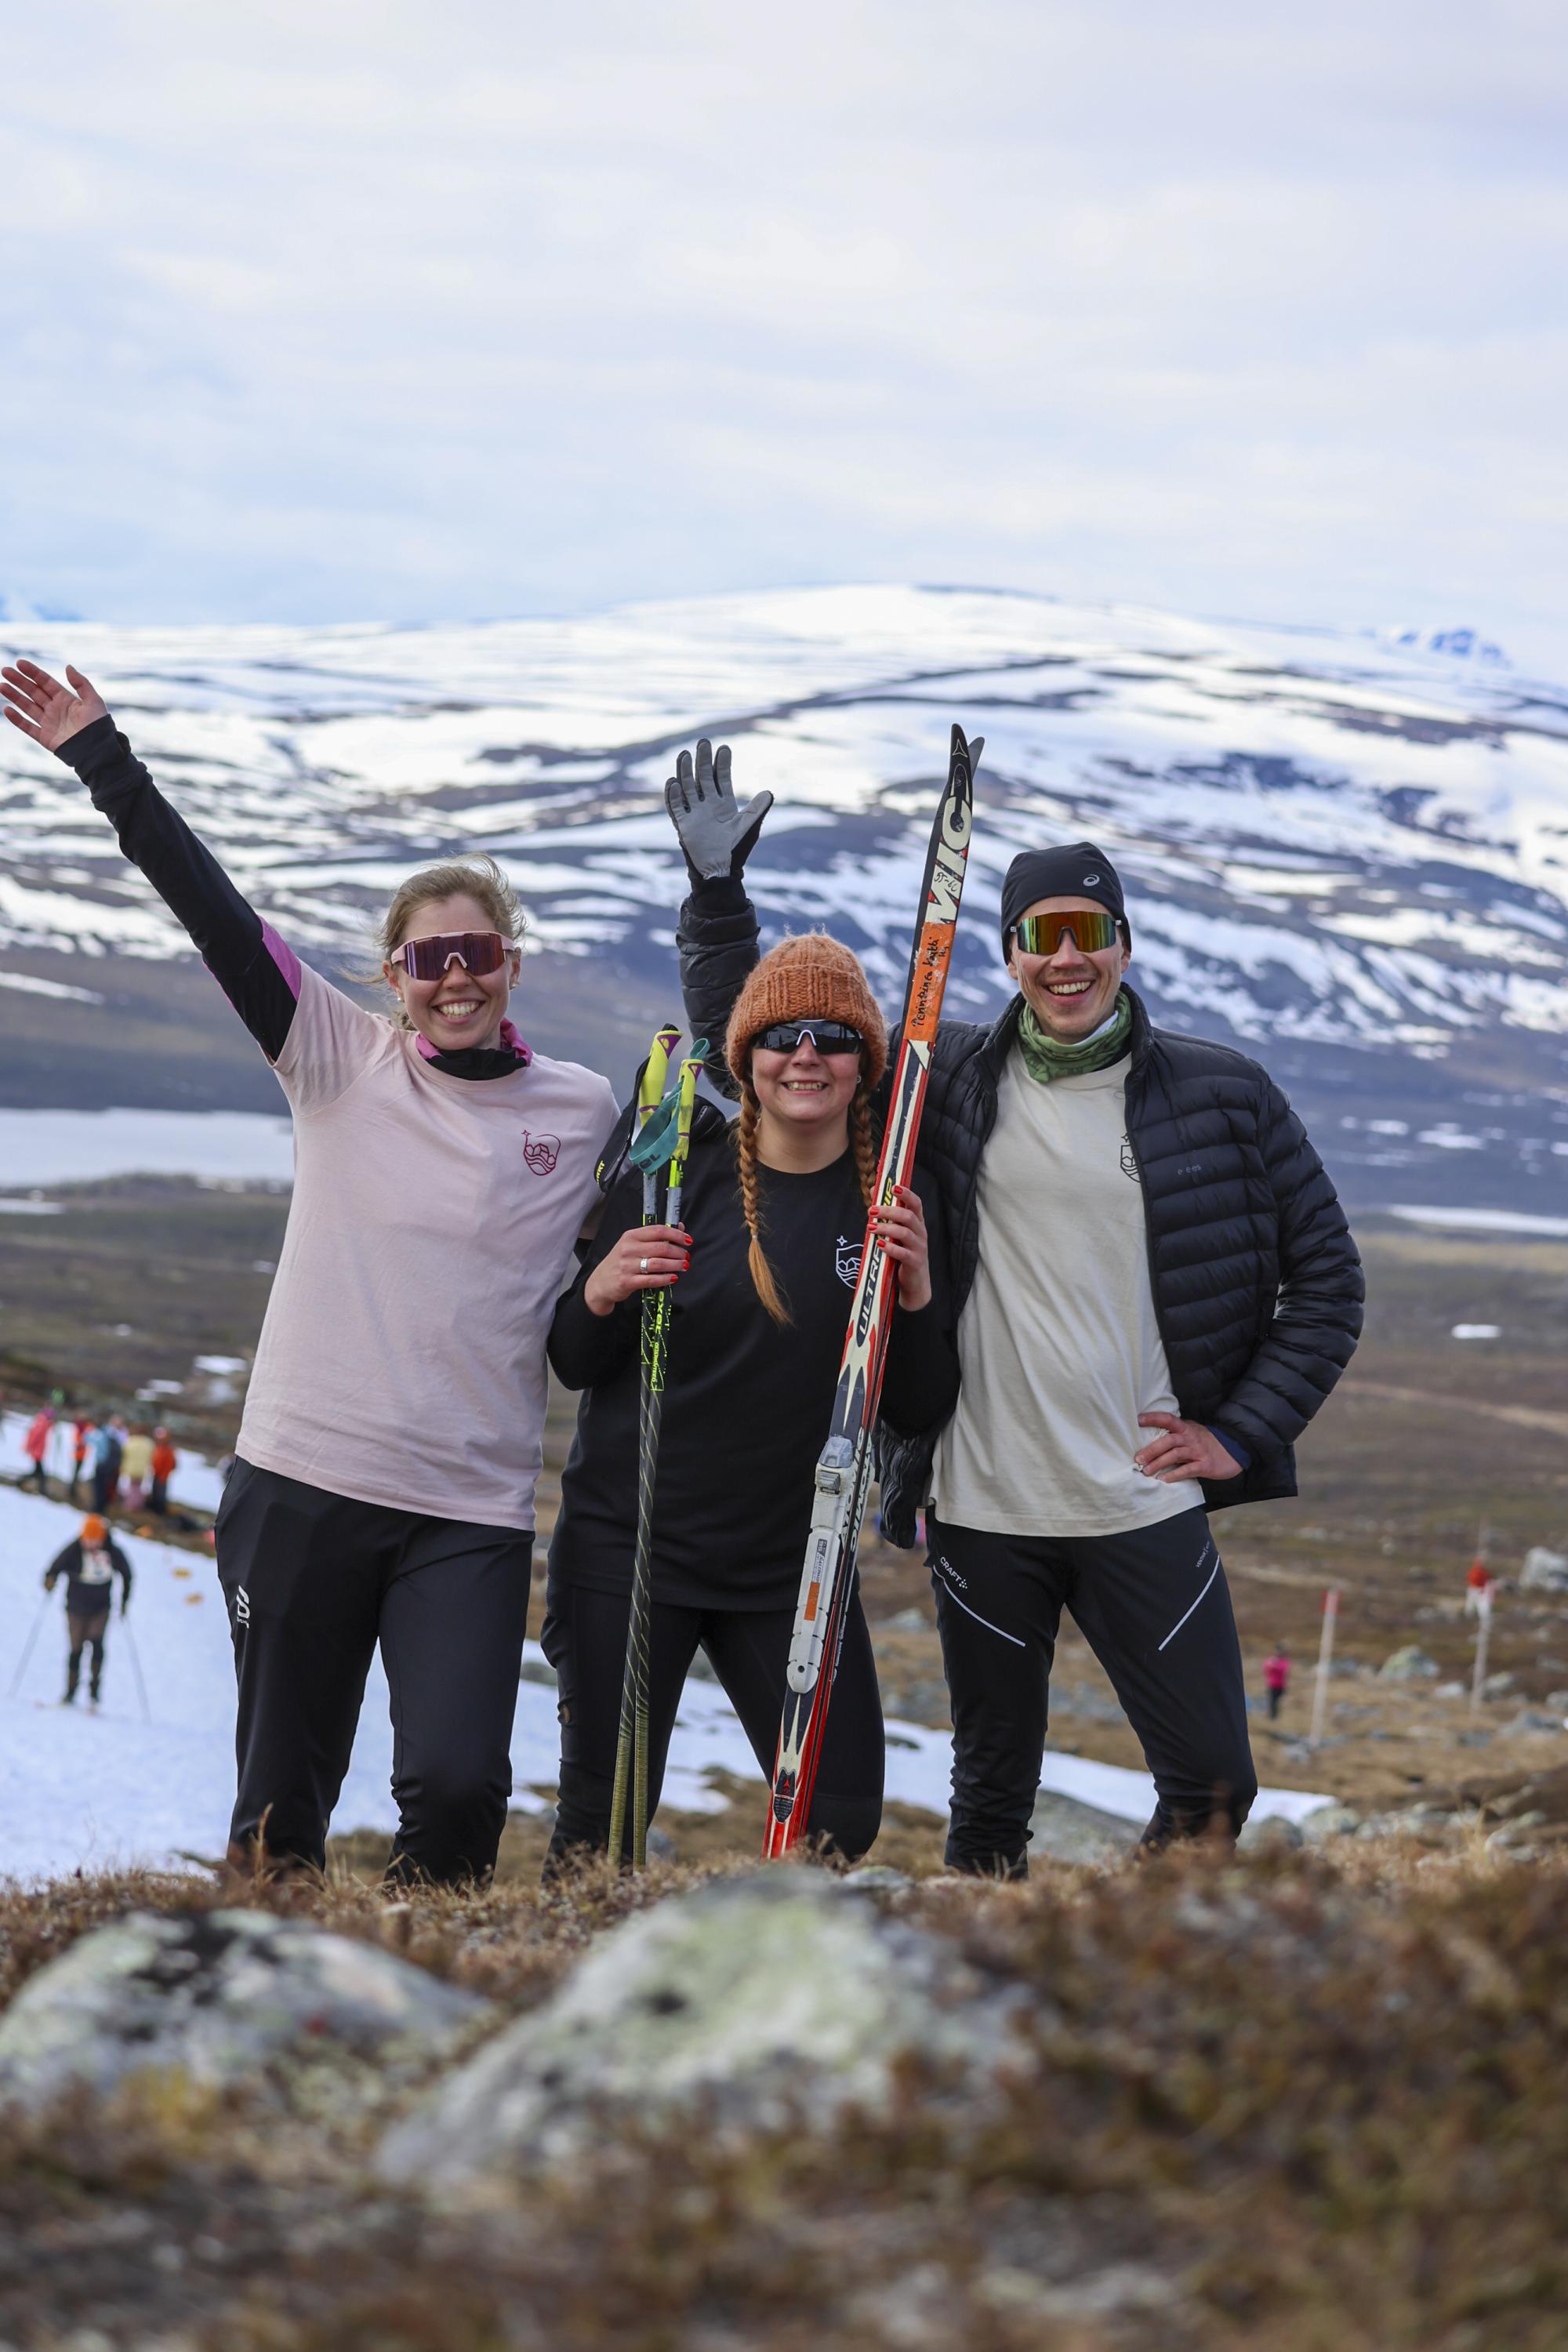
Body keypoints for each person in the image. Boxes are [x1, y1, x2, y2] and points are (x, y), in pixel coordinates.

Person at [670, 739, 1365, 1873]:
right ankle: (989, 1974)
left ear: (1123, 943)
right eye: (1040, 936)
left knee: (1214, 1790)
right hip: (984, 1500)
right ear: (1007, 955)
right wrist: (716, 904)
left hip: (1139, 1498)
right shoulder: (941, 1083)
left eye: (1088, 931)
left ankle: (1119, 1959)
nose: (1066, 957)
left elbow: (1329, 1283)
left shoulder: (1224, 1094)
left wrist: (1240, 1434)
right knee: (991, 1804)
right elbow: (772, 1057)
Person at [3, 657, 618, 1884]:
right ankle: (283, 1986)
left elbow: (747, 1119)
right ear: (394, 977)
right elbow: (213, 912)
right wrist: (104, 762)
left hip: (468, 1511)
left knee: (458, 1791)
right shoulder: (333, 1056)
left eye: (477, 952)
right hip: (300, 1485)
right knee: (280, 1812)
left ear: (512, 962)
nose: (455, 976)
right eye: (428, 959)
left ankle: (425, 1984)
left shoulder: (586, 1109)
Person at [546, 932, 958, 1866]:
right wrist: (600, 1289)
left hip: (791, 1565)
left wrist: (919, 1295)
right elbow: (573, 1360)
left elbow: (917, 1406)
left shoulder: (894, 1195)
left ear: (864, 1061)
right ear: (745, 1058)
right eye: (779, 1035)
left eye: (833, 1036)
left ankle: (756, 1957)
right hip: (632, 1549)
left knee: (836, 1822)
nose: (805, 1055)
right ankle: (584, 1961)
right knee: (601, 1832)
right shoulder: (674, 1170)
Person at [43, 1515, 133, 1708]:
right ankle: (70, 1692)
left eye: (95, 1540)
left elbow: (127, 1574)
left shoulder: (112, 1551)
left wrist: (124, 1600)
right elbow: (54, 1567)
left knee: (96, 1643)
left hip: (100, 1608)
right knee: (76, 1649)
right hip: (75, 1608)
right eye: (87, 1540)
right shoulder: (74, 1550)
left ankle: (94, 1691)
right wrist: (50, 1580)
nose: (90, 1544)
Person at [19, 1405, 54, 1492]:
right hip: (37, 1450)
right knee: (39, 1469)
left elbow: (49, 1427)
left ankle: (28, 1481)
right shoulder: (41, 1423)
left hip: (39, 1449)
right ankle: (42, 1487)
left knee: (37, 1468)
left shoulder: (43, 1423)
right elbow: (35, 1437)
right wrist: (29, 1446)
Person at [121, 1425, 154, 1511]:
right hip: (142, 1469)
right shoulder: (148, 1443)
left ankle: (130, 1504)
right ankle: (138, 1504)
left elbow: (124, 1454)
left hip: (131, 1467)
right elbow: (152, 1456)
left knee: (132, 1486)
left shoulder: (130, 1441)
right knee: (139, 1486)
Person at [148, 1428, 177, 1516]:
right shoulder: (160, 1448)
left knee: (160, 1495)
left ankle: (159, 1512)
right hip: (157, 1474)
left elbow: (171, 1464)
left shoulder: (168, 1450)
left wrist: (164, 1474)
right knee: (155, 1493)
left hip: (162, 1476)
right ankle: (155, 1510)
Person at [1263, 1645, 1290, 1722]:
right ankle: (1271, 1717)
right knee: (1272, 1701)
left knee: (1277, 1701)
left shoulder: (1284, 1661)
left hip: (1281, 1685)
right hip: (1272, 1684)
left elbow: (1284, 1670)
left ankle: (1275, 1716)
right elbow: (1266, 1668)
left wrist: (1275, 1666)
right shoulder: (1271, 1659)